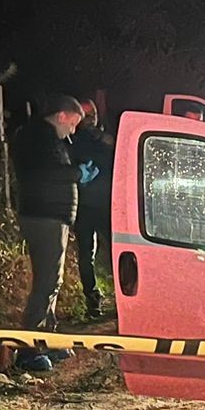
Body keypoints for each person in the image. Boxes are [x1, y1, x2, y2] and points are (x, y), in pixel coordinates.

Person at [9, 93, 87, 373]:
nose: (73, 131)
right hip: (44, 216)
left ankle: (47, 338)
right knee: (47, 281)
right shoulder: (38, 137)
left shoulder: (47, 138)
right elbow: (45, 173)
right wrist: (77, 174)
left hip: (52, 215)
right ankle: (28, 349)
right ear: (62, 116)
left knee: (52, 280)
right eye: (73, 123)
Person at [69, 101, 116, 323]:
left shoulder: (108, 140)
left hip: (107, 206)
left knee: (116, 254)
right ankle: (92, 300)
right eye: (86, 116)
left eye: (92, 115)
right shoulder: (75, 141)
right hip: (86, 207)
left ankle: (122, 297)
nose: (90, 119)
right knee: (87, 255)